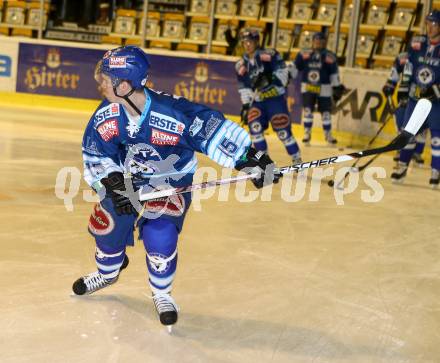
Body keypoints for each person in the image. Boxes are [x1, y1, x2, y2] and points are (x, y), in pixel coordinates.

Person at [72, 46, 278, 330]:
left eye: (106, 78)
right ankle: (108, 273)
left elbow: (210, 131)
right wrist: (110, 180)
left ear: (124, 84)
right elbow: (95, 153)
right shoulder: (107, 115)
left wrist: (248, 159)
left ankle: (161, 294)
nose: (100, 83)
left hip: (170, 179)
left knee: (161, 234)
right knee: (107, 225)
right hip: (128, 179)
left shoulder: (171, 114)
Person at [235, 28, 302, 164]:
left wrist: (270, 78)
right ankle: (265, 161)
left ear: (257, 41)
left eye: (250, 41)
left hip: (275, 100)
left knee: (282, 131)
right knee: (255, 129)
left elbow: (284, 74)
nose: (247, 45)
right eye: (244, 42)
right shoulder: (240, 65)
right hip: (258, 102)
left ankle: (296, 158)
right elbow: (244, 88)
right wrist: (246, 105)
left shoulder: (270, 54)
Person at [391, 10, 440, 187]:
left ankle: (436, 171)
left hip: (436, 101)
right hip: (415, 98)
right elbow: (409, 68)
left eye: (434, 24)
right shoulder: (418, 44)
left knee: (436, 137)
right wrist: (403, 90)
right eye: (428, 23)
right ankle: (402, 166)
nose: (430, 27)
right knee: (408, 133)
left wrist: (436, 90)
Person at [289, 32, 345, 146]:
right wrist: (288, 75)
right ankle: (307, 133)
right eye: (316, 41)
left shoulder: (330, 56)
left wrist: (337, 86)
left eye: (320, 41)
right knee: (308, 111)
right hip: (308, 87)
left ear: (324, 43)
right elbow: (295, 67)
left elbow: (334, 74)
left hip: (324, 88)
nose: (318, 43)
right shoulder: (304, 53)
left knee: (326, 113)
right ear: (312, 41)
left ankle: (328, 135)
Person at [382, 52, 426, 165]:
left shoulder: (433, 56)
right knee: (402, 124)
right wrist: (390, 85)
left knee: (421, 126)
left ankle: (417, 152)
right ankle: (400, 149)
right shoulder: (403, 57)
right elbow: (394, 74)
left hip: (424, 96)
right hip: (404, 95)